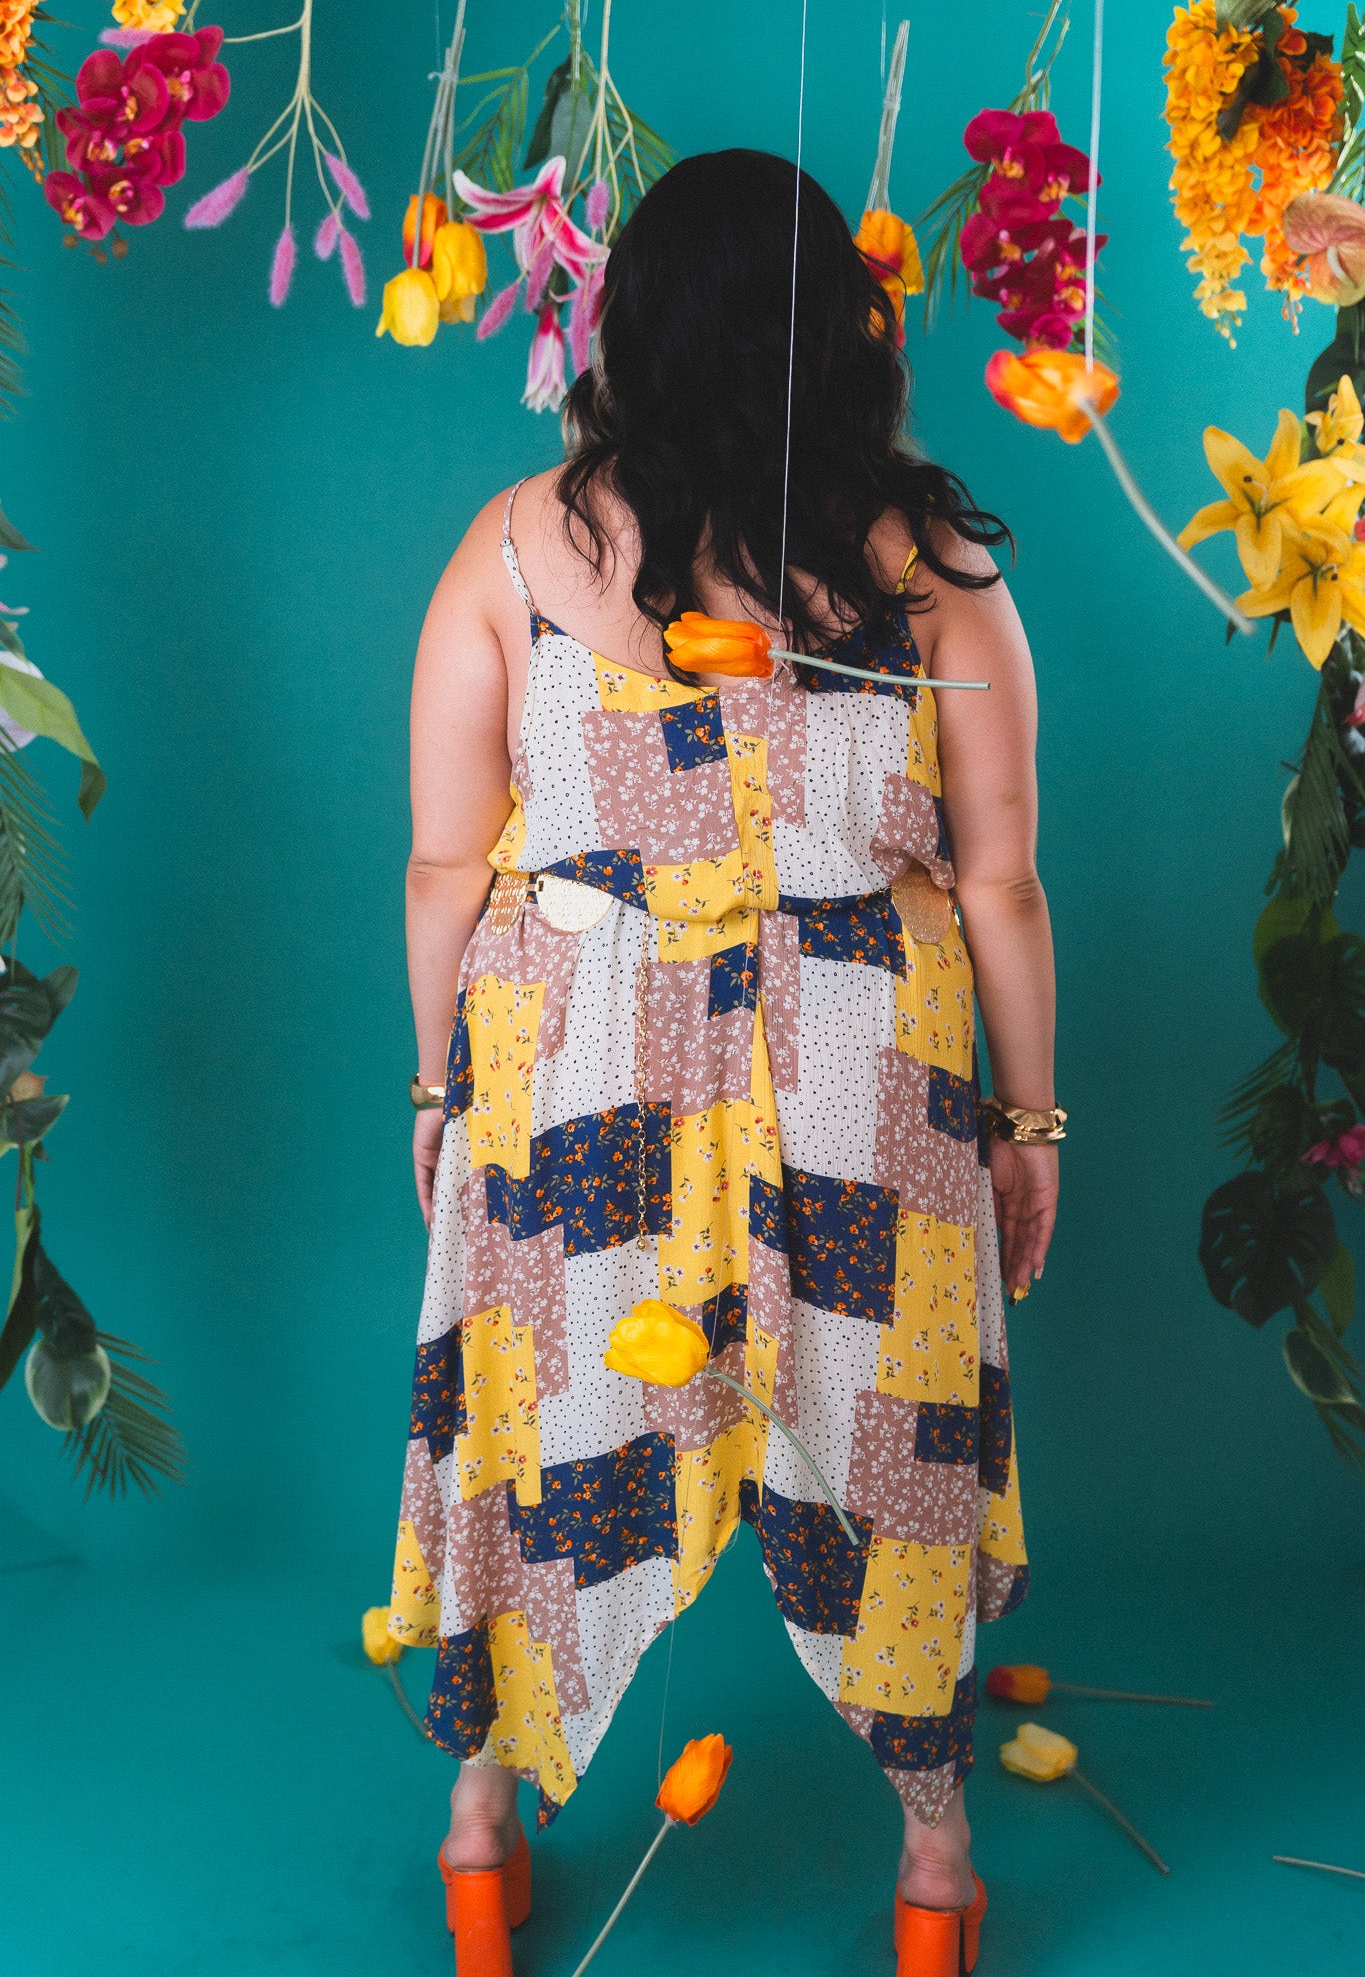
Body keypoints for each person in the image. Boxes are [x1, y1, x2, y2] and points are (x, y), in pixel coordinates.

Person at [390, 146, 1060, 1977]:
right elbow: (998, 879)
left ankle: (479, 1839)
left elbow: (448, 862)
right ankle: (935, 1868)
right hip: (862, 1063)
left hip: (578, 1064)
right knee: (890, 1448)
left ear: (629, 328)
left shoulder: (512, 550)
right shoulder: (929, 570)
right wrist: (1028, 1122)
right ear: (844, 330)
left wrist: (442, 1089)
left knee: (545, 1436)